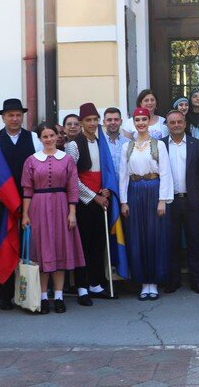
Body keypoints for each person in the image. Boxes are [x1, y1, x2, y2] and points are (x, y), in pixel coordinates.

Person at [0, 98, 43, 310]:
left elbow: (41, 167)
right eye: (10, 115)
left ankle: (26, 293)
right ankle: (4, 294)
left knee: (28, 247)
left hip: (29, 203)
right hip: (3, 204)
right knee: (4, 246)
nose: (14, 118)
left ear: (23, 117)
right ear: (3, 117)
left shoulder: (33, 139)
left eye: (18, 115)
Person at [21, 124, 84, 314]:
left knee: (59, 249)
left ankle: (58, 296)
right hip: (38, 207)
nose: (49, 139)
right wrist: (25, 214)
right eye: (45, 136)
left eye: (51, 135)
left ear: (57, 137)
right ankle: (42, 297)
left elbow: (72, 188)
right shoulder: (31, 160)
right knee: (42, 251)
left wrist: (72, 212)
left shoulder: (67, 159)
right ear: (40, 139)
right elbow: (27, 190)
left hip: (61, 206)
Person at [66, 102, 121, 304]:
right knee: (83, 245)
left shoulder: (100, 143)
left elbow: (104, 170)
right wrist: (94, 196)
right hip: (84, 203)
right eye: (88, 120)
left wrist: (105, 190)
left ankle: (95, 284)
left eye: (95, 120)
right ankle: (82, 287)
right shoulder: (73, 145)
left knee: (98, 243)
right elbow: (72, 178)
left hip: (100, 199)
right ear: (81, 122)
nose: (92, 123)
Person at [119, 108, 174, 300]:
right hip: (135, 192)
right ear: (133, 122)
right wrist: (124, 202)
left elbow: (165, 173)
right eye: (137, 120)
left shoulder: (159, 145)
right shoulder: (127, 147)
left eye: (144, 119)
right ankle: (143, 283)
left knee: (154, 236)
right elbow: (123, 175)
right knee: (137, 236)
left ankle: (154, 282)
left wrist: (162, 200)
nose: (141, 123)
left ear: (149, 121)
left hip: (154, 190)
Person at [163, 109, 199, 294]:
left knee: (194, 242)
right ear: (167, 125)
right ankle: (173, 280)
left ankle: (196, 281)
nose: (176, 125)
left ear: (184, 124)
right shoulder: (160, 145)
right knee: (171, 243)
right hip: (169, 201)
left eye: (179, 122)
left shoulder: (195, 144)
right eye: (172, 122)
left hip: (192, 200)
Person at [103, 107, 130, 180]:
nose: (113, 122)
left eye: (116, 119)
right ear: (104, 122)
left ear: (121, 122)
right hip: (107, 185)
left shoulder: (129, 143)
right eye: (109, 120)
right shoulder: (99, 143)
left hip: (126, 184)